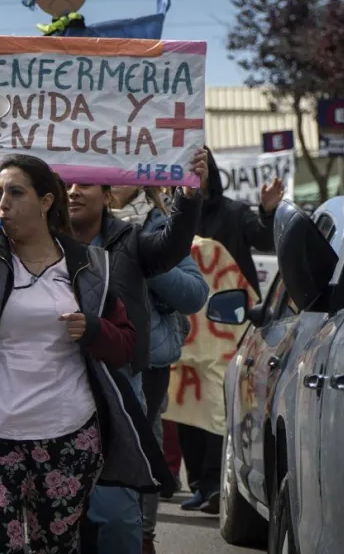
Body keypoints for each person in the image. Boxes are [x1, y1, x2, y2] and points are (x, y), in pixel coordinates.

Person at [0, 126, 205, 554]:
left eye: (86, 183)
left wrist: (187, 196)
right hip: (39, 401)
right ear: (51, 198)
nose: (75, 191)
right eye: (68, 184)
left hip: (114, 388)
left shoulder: (129, 242)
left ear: (110, 194)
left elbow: (172, 253)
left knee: (114, 515)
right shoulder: (25, 245)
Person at [0, 154, 161, 553]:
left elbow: (126, 345)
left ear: (45, 202)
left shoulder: (89, 266)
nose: (3, 202)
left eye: (15, 192)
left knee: (54, 544)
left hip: (67, 433)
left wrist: (92, 329)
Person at [176, 145, 284, 514]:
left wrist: (268, 211)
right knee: (188, 404)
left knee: (219, 403)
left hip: (227, 327)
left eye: (201, 163)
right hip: (187, 330)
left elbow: (266, 238)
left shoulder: (236, 213)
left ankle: (217, 486)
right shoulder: (172, 216)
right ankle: (199, 485)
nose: (196, 169)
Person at [111, 185, 209, 554]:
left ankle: (142, 537)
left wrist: (140, 259)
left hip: (146, 365)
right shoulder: (75, 222)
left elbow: (194, 294)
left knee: (141, 452)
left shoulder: (157, 226)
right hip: (84, 362)